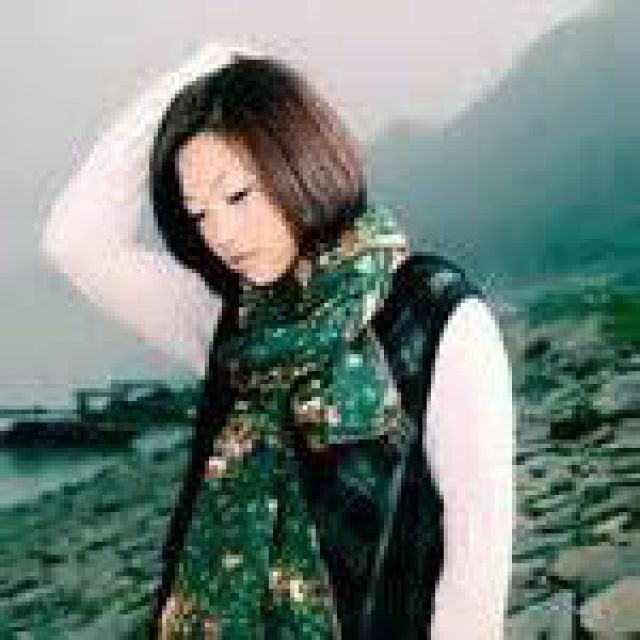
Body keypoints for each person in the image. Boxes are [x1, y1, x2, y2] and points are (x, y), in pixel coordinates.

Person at [41, 41, 515, 639]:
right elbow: (74, 241)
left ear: (301, 161)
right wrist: (197, 78)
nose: (221, 234)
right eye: (199, 214)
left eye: (238, 196)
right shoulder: (233, 325)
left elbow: (474, 576)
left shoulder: (436, 316)